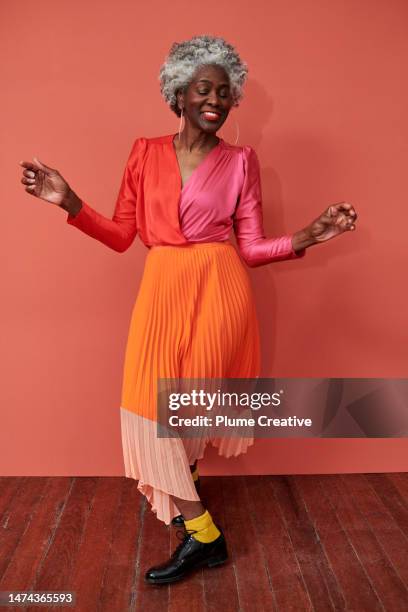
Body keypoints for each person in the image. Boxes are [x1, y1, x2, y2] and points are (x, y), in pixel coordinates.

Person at [19, 34, 358, 585]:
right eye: (205, 89)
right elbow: (123, 234)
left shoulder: (242, 161)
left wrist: (308, 235)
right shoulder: (144, 152)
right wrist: (70, 201)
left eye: (226, 93)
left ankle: (196, 530)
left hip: (219, 291)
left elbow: (249, 249)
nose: (216, 101)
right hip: (161, 288)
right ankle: (204, 532)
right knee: (147, 410)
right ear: (178, 93)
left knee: (186, 410)